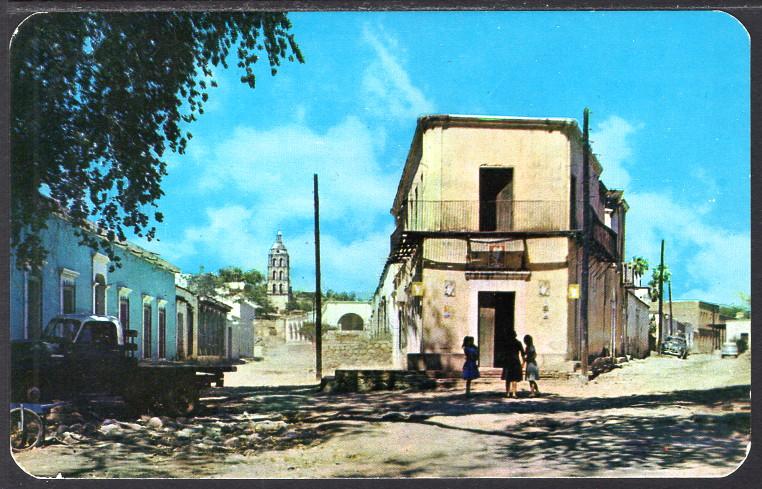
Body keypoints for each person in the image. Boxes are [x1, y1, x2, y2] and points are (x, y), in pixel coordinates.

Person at [501, 330, 525, 398]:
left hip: (508, 361)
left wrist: (503, 360)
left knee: (508, 378)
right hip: (515, 361)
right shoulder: (518, 343)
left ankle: (507, 393)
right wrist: (523, 362)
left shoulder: (506, 343)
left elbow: (503, 353)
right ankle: (514, 393)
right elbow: (523, 353)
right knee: (514, 378)